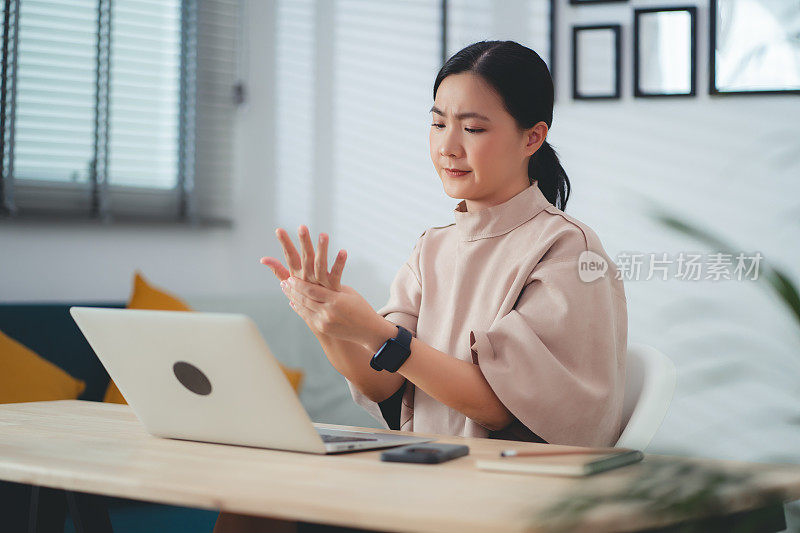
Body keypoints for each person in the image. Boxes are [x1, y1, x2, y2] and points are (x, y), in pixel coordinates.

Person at [219, 40, 627, 533]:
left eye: (472, 128)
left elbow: (499, 405)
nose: (447, 147)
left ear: (532, 138)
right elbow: (381, 383)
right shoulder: (432, 247)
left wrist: (384, 337)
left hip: (508, 487)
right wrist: (327, 321)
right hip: (427, 471)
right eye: (438, 124)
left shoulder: (568, 249)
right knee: (252, 492)